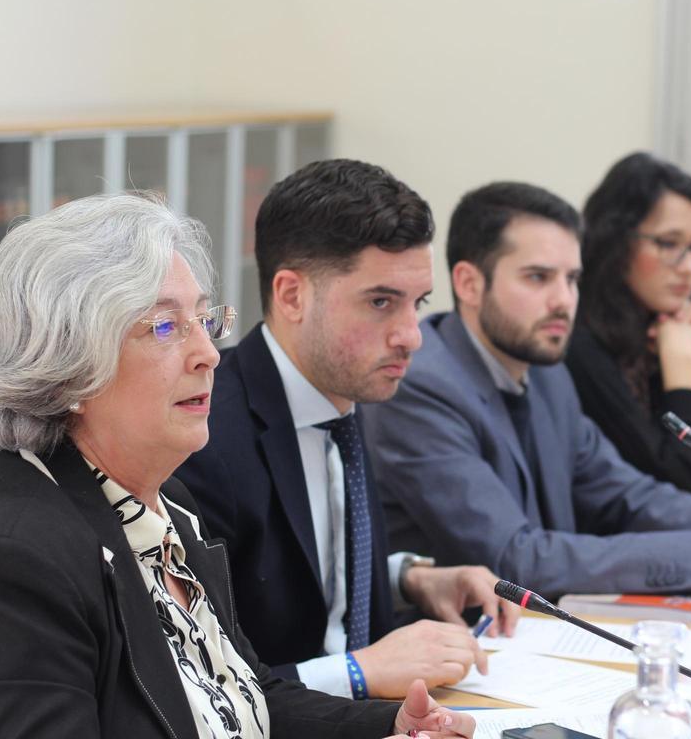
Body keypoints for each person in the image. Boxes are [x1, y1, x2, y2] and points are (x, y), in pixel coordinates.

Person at [0, 193, 473, 739]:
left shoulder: (165, 509)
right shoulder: (8, 568)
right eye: (164, 326)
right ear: (70, 364)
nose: (208, 353)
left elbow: (240, 700)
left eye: (205, 320)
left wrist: (389, 729)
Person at [361, 181, 691, 601]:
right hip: (449, 657)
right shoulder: (421, 387)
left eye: (572, 279)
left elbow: (622, 494)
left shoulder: (545, 373)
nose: (563, 300)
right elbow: (514, 559)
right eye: (538, 278)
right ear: (469, 283)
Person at [176, 159, 516, 701]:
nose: (412, 336)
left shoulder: (349, 395)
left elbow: (306, 567)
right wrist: (357, 672)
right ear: (291, 296)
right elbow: (199, 689)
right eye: (381, 302)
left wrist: (409, 578)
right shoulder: (204, 438)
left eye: (418, 304)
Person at [567, 152, 691, 499]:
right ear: (616, 242)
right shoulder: (579, 343)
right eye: (669, 244)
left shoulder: (655, 325)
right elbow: (684, 479)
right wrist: (680, 360)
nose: (689, 268)